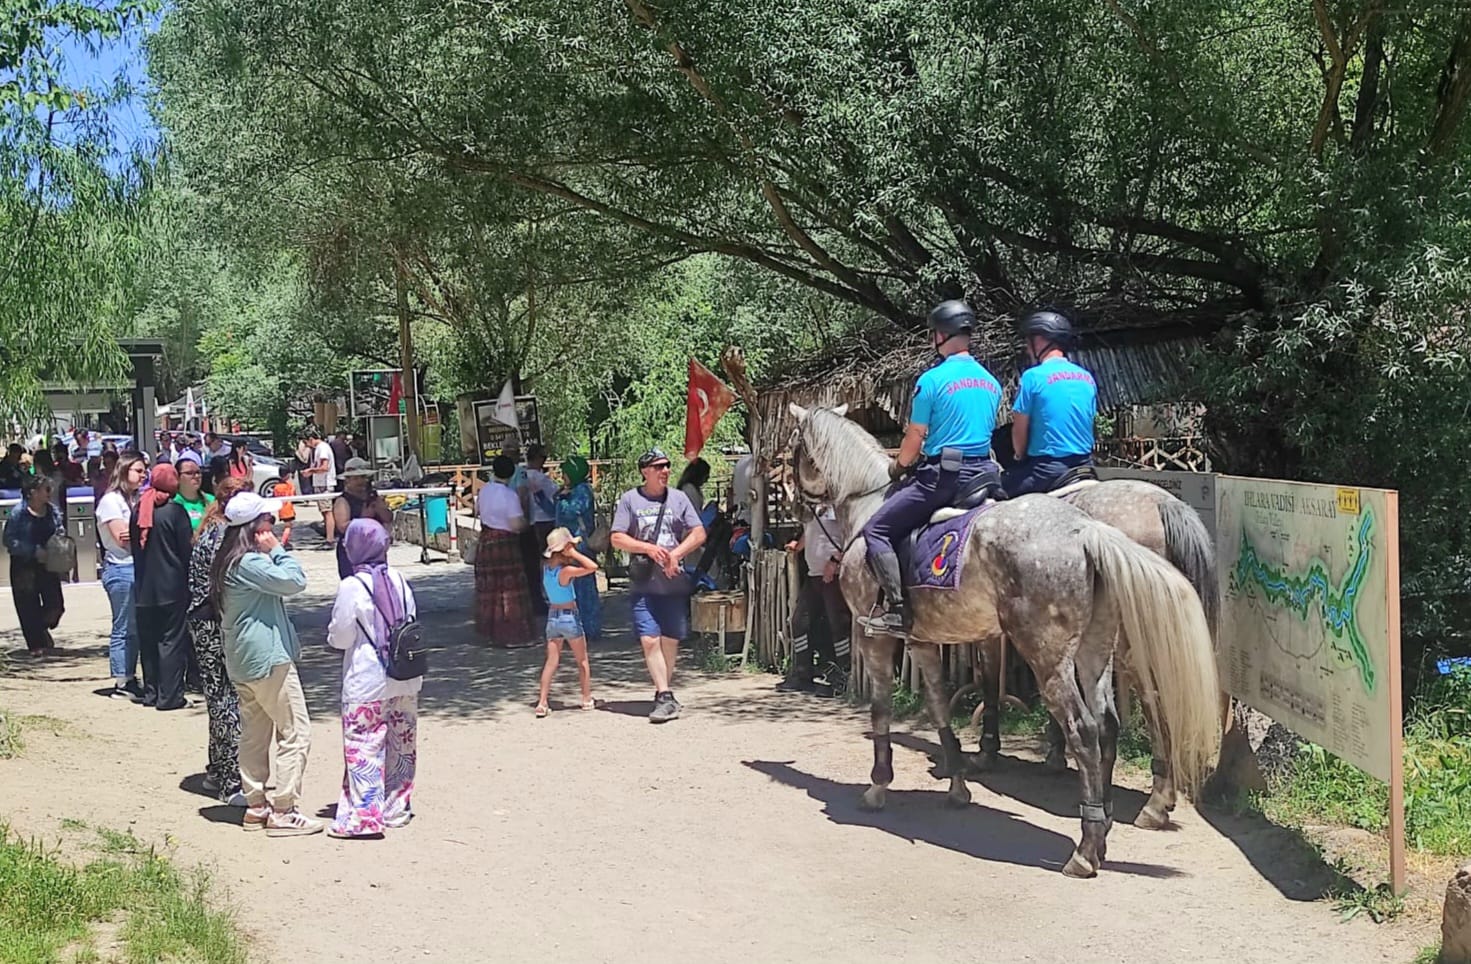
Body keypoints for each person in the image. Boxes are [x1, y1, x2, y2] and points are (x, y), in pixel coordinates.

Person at [860, 300, 1003, 637]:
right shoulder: (992, 383)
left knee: (875, 531)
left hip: (944, 477)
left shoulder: (932, 380)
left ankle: (896, 609)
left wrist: (899, 466)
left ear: (941, 334)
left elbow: (916, 436)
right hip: (986, 473)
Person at [213, 491, 320, 836]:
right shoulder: (250, 563)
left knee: (256, 733)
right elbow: (295, 581)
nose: (272, 525)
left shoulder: (228, 559)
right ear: (253, 528)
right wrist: (276, 548)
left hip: (243, 660)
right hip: (268, 659)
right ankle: (284, 809)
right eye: (267, 521)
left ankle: (256, 804)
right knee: (296, 731)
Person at [326, 519, 422, 838]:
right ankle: (396, 808)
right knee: (401, 742)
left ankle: (366, 816)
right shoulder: (399, 579)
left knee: (364, 744)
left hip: (367, 677)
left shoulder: (352, 586)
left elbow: (341, 637)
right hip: (403, 675)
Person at [610, 448, 706, 723]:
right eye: (659, 466)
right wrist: (648, 548)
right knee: (649, 638)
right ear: (645, 471)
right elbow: (617, 538)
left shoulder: (679, 499)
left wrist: (676, 553)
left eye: (667, 466)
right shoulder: (630, 500)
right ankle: (664, 693)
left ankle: (664, 692)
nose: (665, 471)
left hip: (673, 582)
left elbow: (698, 533)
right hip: (643, 582)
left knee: (670, 639)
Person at [188, 478, 248, 806]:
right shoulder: (221, 536)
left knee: (217, 699)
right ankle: (230, 781)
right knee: (226, 701)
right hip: (212, 622)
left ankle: (215, 770)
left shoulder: (212, 529)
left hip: (204, 621)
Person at [1004, 309, 1099, 497]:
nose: (1027, 347)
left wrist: (1018, 456)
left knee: (997, 495)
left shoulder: (1033, 377)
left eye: (1029, 341)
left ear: (1040, 340)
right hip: (1085, 466)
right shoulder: (1086, 377)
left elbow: (1019, 430)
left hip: (1047, 470)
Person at [131, 463, 194, 711]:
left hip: (144, 589)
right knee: (171, 642)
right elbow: (186, 551)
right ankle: (170, 697)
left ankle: (151, 693)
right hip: (172, 588)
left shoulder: (139, 510)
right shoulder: (175, 512)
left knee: (148, 643)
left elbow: (135, 548)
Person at [779, 504, 851, 695]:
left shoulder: (838, 504)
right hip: (814, 575)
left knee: (839, 626)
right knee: (799, 623)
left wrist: (835, 561)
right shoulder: (811, 507)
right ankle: (803, 674)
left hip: (834, 576)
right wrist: (799, 545)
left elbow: (851, 534)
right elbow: (810, 532)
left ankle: (845, 677)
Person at [534, 527, 598, 717]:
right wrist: (575, 554)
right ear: (564, 549)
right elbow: (592, 567)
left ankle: (542, 702)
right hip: (570, 616)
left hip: (553, 616)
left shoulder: (546, 569)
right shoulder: (566, 571)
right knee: (582, 660)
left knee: (551, 662)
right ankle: (586, 698)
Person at [474, 455, 537, 647]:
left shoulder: (484, 490)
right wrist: (528, 524)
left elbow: (477, 512)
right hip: (505, 543)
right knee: (509, 590)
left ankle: (491, 632)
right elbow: (516, 523)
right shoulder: (510, 495)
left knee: (490, 588)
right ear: (511, 474)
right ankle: (512, 634)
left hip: (486, 541)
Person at [98, 454, 145, 698]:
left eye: (144, 470)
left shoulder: (136, 499)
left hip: (135, 566)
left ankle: (130, 675)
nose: (143, 474)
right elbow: (121, 536)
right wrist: (145, 530)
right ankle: (122, 680)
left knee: (135, 626)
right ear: (125, 471)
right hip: (119, 567)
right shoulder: (111, 501)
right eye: (138, 470)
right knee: (123, 626)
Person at [4, 474, 66, 655]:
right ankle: (37, 644)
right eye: (46, 489)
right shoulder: (18, 514)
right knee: (27, 605)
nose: (49, 493)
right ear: (33, 493)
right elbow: (9, 539)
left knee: (55, 605)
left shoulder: (52, 511)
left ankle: (41, 628)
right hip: (24, 565)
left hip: (48, 563)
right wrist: (32, 551)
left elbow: (59, 530)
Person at [553, 455, 602, 641]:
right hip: (566, 545)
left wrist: (563, 499)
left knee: (582, 588)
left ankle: (587, 628)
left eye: (565, 472)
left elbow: (573, 510)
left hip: (578, 545)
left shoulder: (582, 491)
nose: (562, 476)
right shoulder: (571, 489)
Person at [332, 458, 393, 579]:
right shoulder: (342, 500)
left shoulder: (373, 497)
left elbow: (388, 518)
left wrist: (379, 507)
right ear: (347, 480)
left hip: (374, 548)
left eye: (363, 477)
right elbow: (342, 527)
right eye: (356, 478)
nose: (361, 481)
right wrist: (364, 517)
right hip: (352, 549)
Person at [521, 444, 558, 616]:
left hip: (528, 522)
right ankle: (549, 592)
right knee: (548, 560)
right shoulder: (542, 479)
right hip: (544, 521)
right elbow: (554, 498)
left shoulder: (521, 476)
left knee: (533, 562)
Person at [302, 429, 338, 547]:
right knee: (324, 511)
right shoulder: (318, 449)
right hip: (320, 483)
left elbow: (324, 467)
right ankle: (328, 536)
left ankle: (330, 539)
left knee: (327, 511)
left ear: (311, 439)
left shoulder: (322, 448)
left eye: (306, 442)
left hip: (325, 483)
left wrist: (311, 471)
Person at [174, 459, 215, 531]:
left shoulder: (211, 500)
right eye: (190, 473)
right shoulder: (173, 504)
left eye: (198, 472)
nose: (196, 476)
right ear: (177, 477)